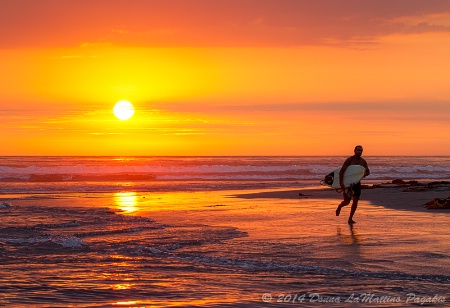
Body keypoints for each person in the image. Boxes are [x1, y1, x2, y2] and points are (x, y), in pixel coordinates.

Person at [335, 145, 370, 224]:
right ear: (354, 151)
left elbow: (368, 171)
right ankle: (340, 206)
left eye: (361, 151)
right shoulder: (349, 160)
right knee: (347, 202)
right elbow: (342, 172)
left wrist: (364, 174)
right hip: (348, 185)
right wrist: (341, 183)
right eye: (358, 150)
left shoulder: (363, 162)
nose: (359, 152)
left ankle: (350, 218)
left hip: (357, 184)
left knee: (355, 201)